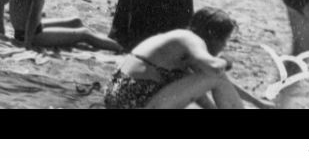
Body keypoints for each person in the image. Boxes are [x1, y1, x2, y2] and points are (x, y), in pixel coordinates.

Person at [103, 8, 247, 109]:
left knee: (208, 81)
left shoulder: (181, 44)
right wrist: (226, 61)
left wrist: (260, 104)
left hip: (120, 98)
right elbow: (215, 70)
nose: (224, 46)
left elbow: (201, 88)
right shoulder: (191, 39)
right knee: (214, 78)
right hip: (132, 98)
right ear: (214, 36)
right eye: (224, 41)